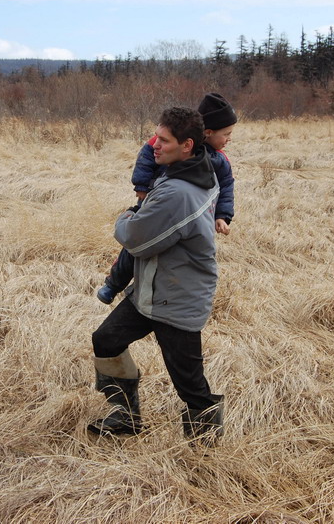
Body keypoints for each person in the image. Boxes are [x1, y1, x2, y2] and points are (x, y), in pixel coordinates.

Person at [88, 107, 224, 445]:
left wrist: (126, 216)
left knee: (189, 383)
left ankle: (205, 449)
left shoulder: (179, 192)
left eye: (164, 140)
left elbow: (136, 239)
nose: (154, 145)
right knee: (106, 340)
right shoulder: (192, 171)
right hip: (153, 289)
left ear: (187, 145)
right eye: (155, 138)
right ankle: (126, 416)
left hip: (178, 299)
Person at [96, 93, 237, 305]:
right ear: (208, 132)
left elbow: (226, 185)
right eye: (226, 134)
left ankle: (155, 291)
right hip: (154, 200)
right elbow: (146, 156)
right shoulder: (174, 141)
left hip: (190, 214)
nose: (229, 139)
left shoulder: (219, 159)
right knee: (134, 246)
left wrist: (222, 215)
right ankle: (114, 284)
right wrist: (142, 185)